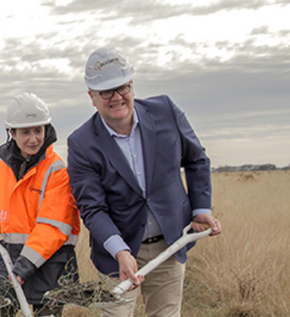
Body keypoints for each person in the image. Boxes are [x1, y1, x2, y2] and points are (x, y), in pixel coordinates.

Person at [66, 47, 222, 317]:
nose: (116, 97)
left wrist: (201, 210)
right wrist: (120, 251)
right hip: (118, 253)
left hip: (170, 245)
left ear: (132, 85)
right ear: (92, 97)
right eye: (106, 91)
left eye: (122, 87)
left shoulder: (166, 112)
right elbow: (92, 208)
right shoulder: (81, 143)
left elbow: (196, 160)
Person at [0, 93, 81, 317]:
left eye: (38, 130)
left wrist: (25, 265)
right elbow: (9, 201)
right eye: (26, 132)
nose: (33, 139)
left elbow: (54, 225)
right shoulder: (2, 167)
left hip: (50, 262)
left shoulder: (57, 170)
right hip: (12, 256)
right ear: (12, 133)